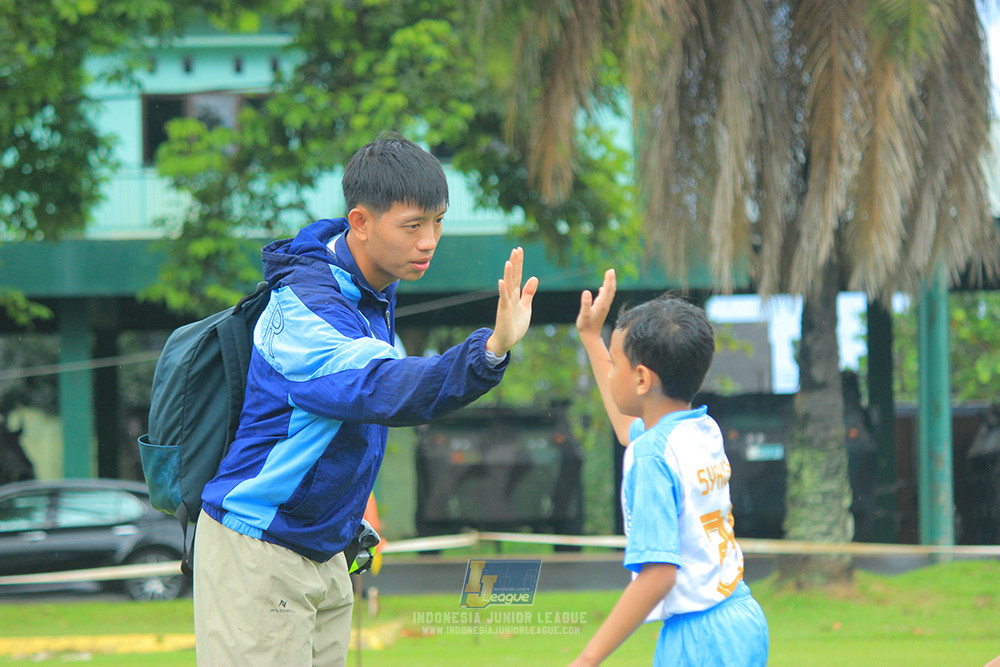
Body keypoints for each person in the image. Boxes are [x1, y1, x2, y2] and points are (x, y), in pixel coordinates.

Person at [193, 132, 538, 666]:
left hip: (326, 549)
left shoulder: (372, 292)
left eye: (438, 221)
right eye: (412, 226)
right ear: (360, 222)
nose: (430, 241)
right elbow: (382, 388)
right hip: (260, 549)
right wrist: (489, 350)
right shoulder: (306, 307)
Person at [570, 269, 768, 666]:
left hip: (700, 640)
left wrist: (586, 660)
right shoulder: (700, 428)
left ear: (642, 378)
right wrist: (592, 337)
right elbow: (627, 429)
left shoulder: (652, 456)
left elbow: (659, 575)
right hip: (740, 616)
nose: (610, 374)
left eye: (615, 365)